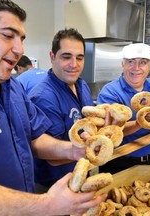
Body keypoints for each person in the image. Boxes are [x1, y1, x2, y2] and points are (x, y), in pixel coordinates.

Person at [0, 1, 106, 215]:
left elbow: (35, 138)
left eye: (21, 39)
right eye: (8, 36)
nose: (20, 49)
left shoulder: (11, 86)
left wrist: (74, 150)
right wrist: (46, 205)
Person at [29, 28, 95, 192]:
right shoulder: (44, 97)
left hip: (81, 175)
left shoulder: (82, 85)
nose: (74, 64)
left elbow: (90, 125)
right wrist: (92, 150)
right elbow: (52, 158)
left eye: (79, 58)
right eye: (66, 57)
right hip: (54, 186)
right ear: (52, 57)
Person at [97, 43, 150, 174]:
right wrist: (140, 122)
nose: (136, 68)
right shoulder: (110, 92)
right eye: (131, 62)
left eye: (143, 62)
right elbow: (108, 131)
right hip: (118, 160)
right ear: (123, 64)